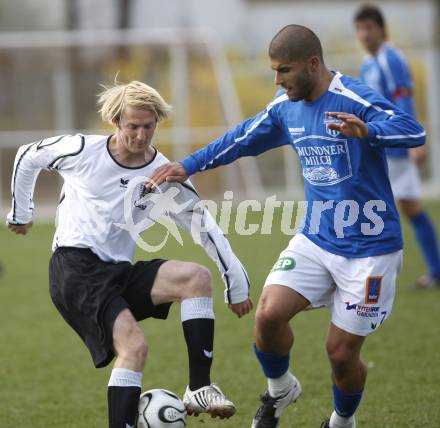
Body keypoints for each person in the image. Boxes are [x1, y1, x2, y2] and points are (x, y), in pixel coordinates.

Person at [147, 25, 426, 428]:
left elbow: (413, 130)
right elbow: (240, 138)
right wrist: (186, 165)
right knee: (268, 316)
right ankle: (280, 391)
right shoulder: (285, 107)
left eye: (284, 70)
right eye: (274, 71)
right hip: (316, 238)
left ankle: (342, 422)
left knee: (340, 353)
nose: (277, 80)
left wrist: (370, 131)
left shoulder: (353, 97)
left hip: (370, 250)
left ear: (313, 64)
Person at [6, 80, 253, 428]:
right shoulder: (81, 150)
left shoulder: (164, 173)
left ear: (157, 123)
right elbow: (27, 156)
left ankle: (199, 387)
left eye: (148, 126)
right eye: (132, 127)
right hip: (74, 269)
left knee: (195, 278)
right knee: (134, 348)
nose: (140, 135)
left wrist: (237, 284)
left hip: (118, 272)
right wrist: (21, 212)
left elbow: (205, 227)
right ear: (116, 123)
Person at [354, 4, 440, 288]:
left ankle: (367, 274)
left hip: (394, 147)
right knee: (401, 207)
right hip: (379, 145)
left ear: (381, 29)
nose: (364, 34)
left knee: (376, 207)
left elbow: (404, 99)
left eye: (369, 27)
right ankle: (435, 270)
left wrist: (411, 141)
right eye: (360, 29)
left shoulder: (391, 58)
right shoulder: (368, 62)